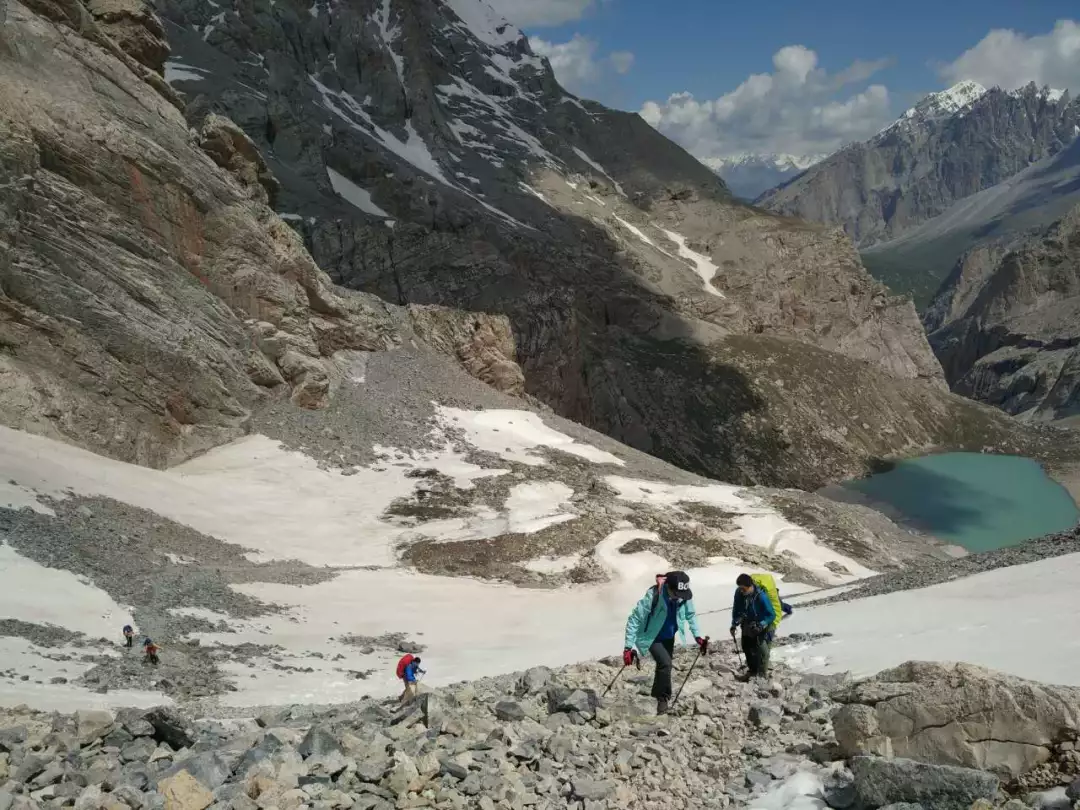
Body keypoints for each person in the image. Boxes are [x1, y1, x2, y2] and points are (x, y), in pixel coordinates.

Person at [623, 571, 708, 715]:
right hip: (651, 637)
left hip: (669, 635)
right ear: (668, 587)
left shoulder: (683, 594)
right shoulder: (653, 595)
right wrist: (628, 646)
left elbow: (690, 614)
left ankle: (656, 695)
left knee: (664, 666)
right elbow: (634, 619)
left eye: (681, 595)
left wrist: (697, 636)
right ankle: (663, 699)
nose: (679, 598)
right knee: (666, 663)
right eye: (676, 594)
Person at [730, 573, 777, 679]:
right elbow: (736, 609)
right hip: (747, 622)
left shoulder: (761, 596)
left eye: (743, 589)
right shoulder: (739, 593)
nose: (741, 591)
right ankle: (752, 670)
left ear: (750, 586)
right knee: (746, 646)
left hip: (761, 623)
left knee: (761, 649)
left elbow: (771, 614)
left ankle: (761, 674)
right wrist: (734, 624)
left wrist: (761, 625)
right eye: (740, 588)